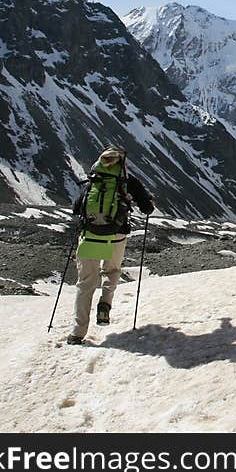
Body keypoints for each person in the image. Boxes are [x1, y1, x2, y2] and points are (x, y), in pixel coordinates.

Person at [66, 146, 154, 345]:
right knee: (112, 270)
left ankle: (77, 332)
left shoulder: (93, 180)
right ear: (122, 162)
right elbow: (146, 208)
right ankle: (105, 304)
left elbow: (75, 208)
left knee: (85, 282)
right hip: (116, 235)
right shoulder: (127, 182)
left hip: (89, 236)